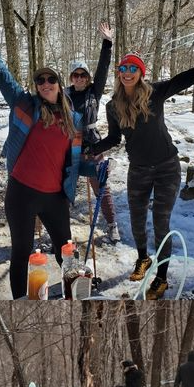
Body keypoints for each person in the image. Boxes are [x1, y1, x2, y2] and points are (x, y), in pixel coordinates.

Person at [90, 38, 194, 299]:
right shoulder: (113, 106)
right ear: (119, 74)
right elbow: (114, 138)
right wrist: (93, 148)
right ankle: (143, 258)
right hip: (139, 169)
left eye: (133, 69)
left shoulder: (155, 93)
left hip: (167, 167)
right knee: (136, 219)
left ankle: (162, 277)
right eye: (123, 69)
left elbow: (191, 75)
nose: (128, 73)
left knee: (160, 222)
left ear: (141, 73)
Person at [0, 25, 83, 299]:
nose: (45, 84)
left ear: (58, 84)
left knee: (67, 250)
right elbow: (2, 76)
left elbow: (74, 160)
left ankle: (74, 294)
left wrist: (95, 166)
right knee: (21, 252)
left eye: (50, 79)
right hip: (22, 193)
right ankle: (19, 301)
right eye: (39, 81)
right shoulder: (25, 105)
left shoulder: (73, 121)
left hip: (54, 197)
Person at [65, 22, 118, 241]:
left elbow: (103, 68)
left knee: (101, 185)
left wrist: (107, 43)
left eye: (83, 75)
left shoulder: (93, 93)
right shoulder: (64, 94)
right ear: (71, 78)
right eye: (75, 75)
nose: (79, 78)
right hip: (69, 146)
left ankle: (112, 224)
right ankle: (61, 227)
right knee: (65, 186)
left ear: (87, 78)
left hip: (92, 144)